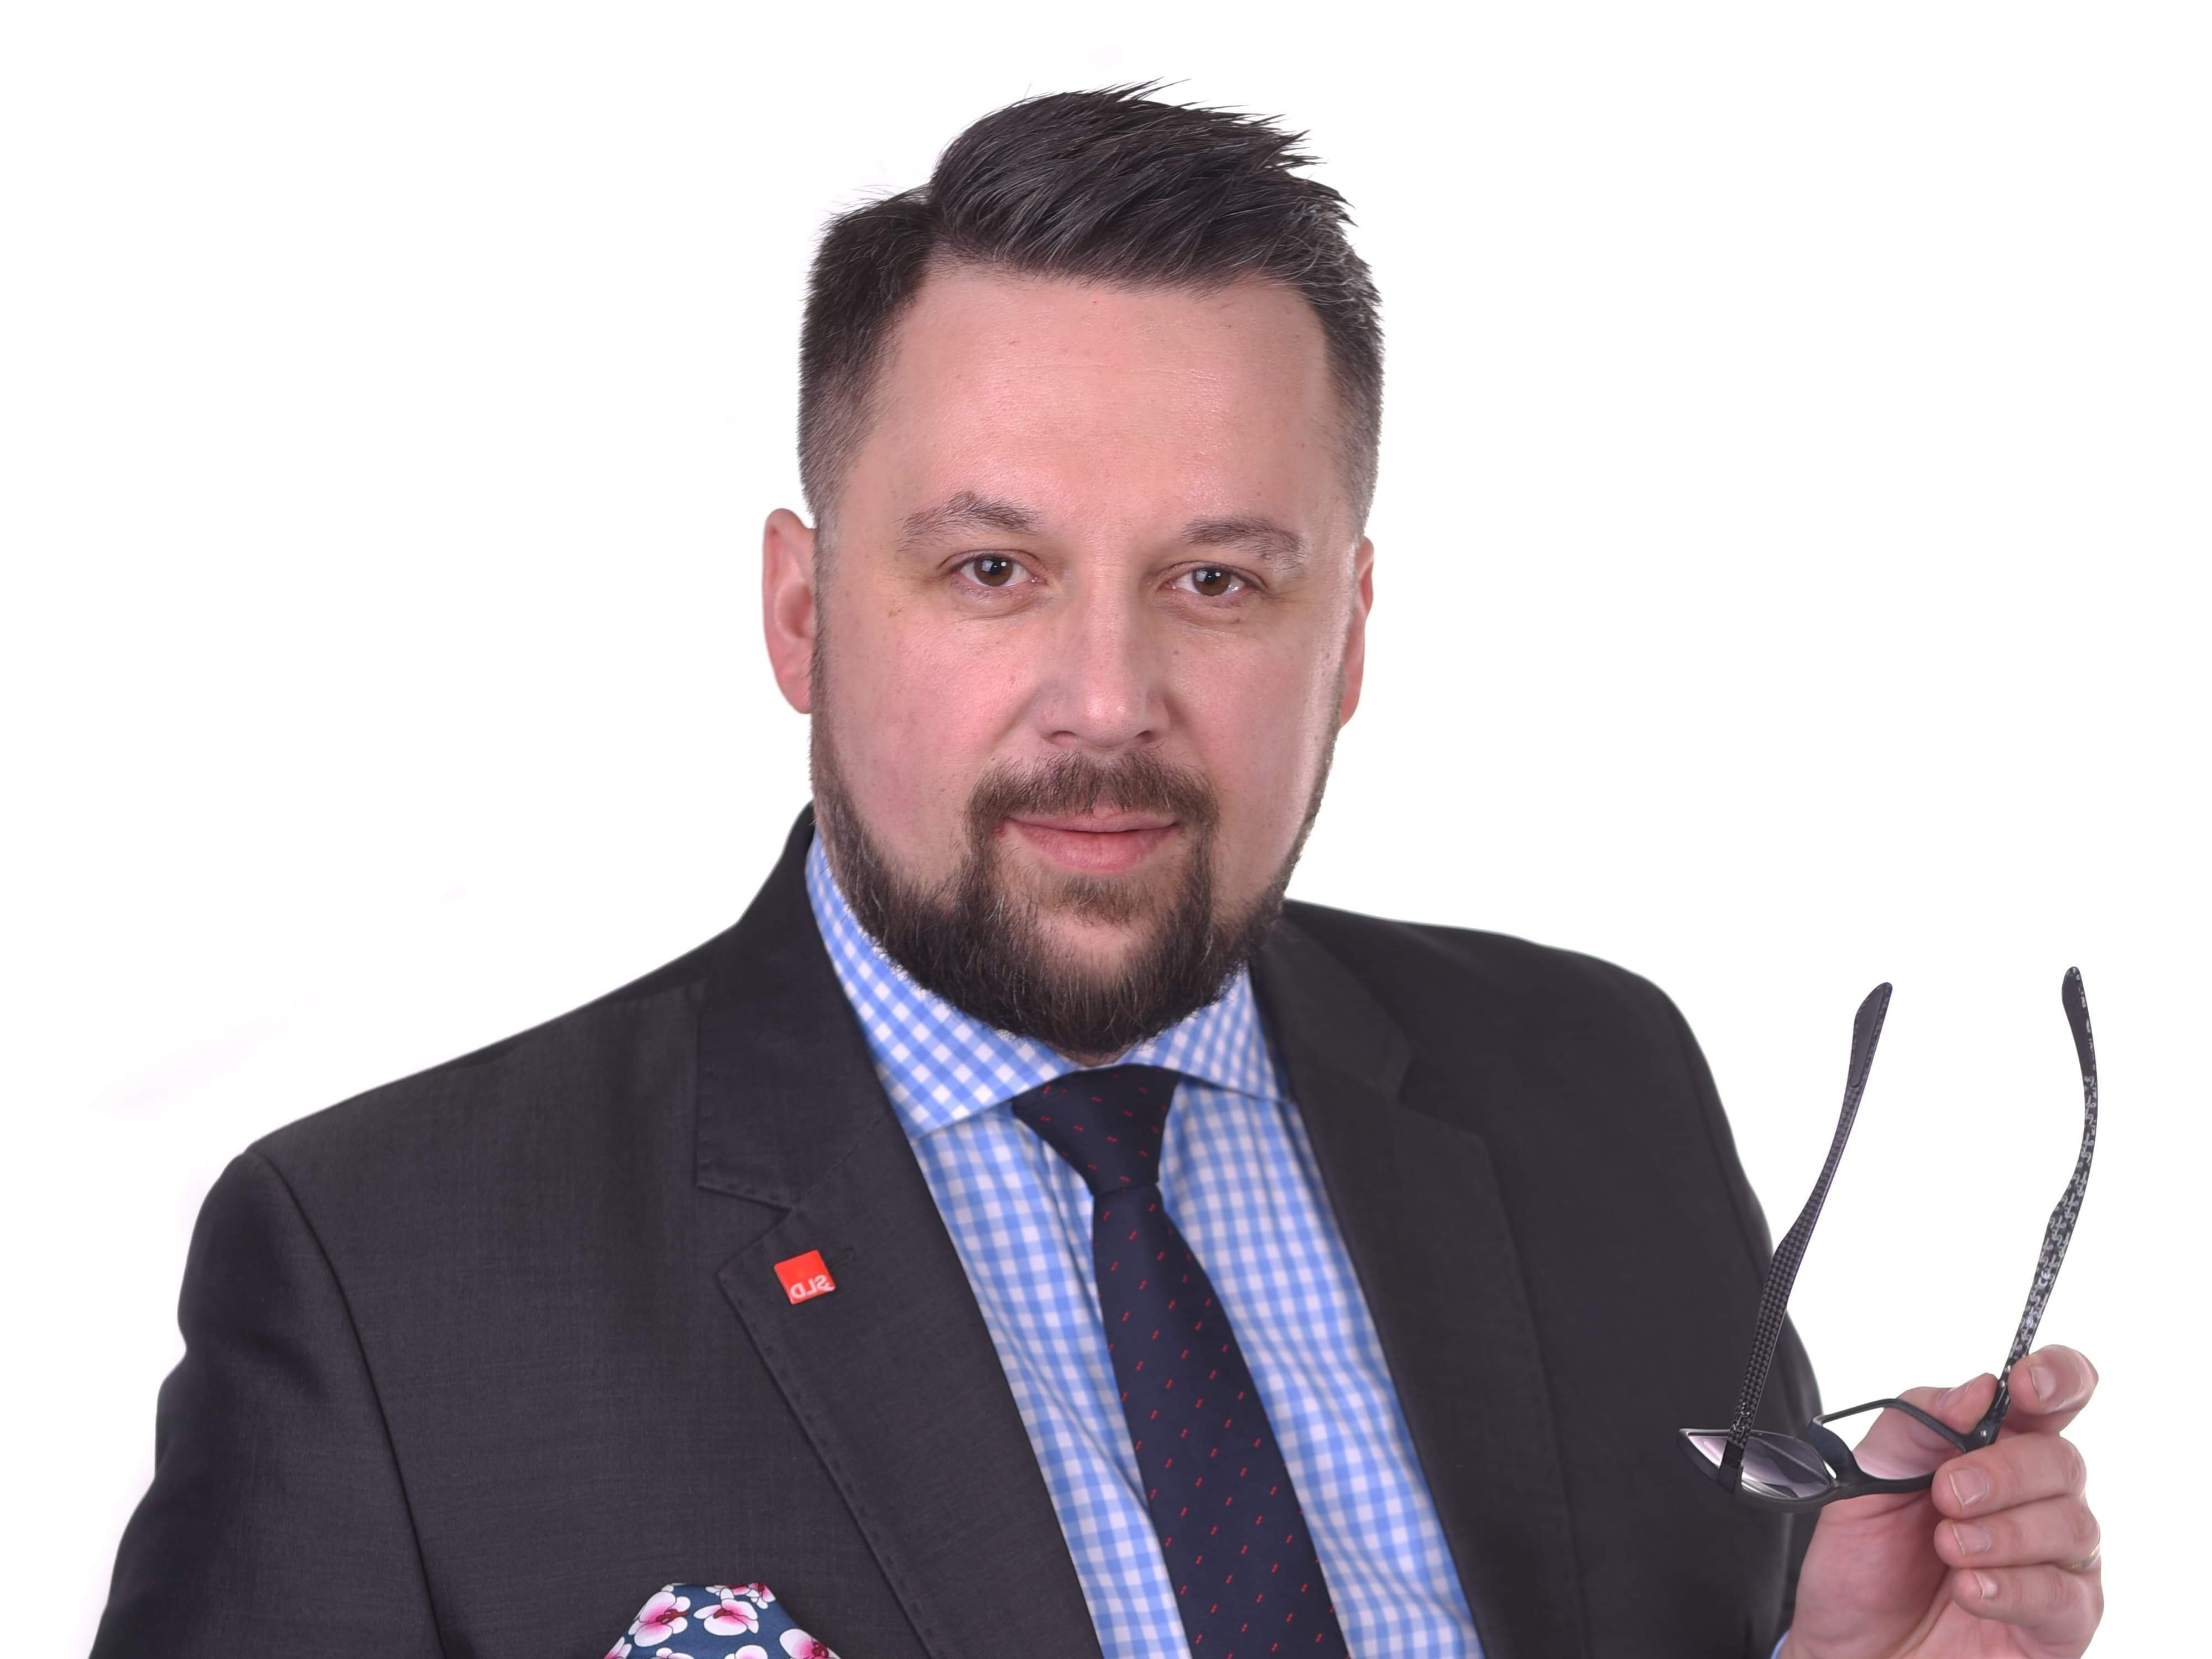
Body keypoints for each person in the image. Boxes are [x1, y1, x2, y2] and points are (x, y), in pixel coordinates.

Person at [91, 82, 2103, 1659]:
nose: (1108, 697)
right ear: (802, 614)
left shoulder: (1591, 1086)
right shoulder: (392, 1277)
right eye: (993, 570)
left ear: (1350, 636)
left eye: (1217, 581)